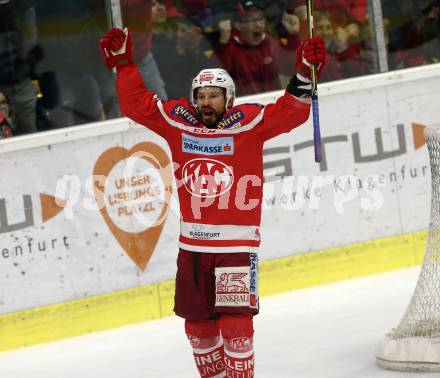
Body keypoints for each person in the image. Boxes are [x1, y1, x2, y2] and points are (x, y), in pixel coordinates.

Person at [99, 26, 326, 377]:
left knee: (235, 327)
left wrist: (303, 75)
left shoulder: (248, 123)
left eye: (214, 95)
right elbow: (136, 105)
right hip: (192, 247)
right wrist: (126, 67)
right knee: (198, 327)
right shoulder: (179, 122)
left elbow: (290, 113)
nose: (205, 102)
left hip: (236, 245)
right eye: (200, 95)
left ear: (229, 99)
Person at [215, 0, 301, 96]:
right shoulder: (230, 46)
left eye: (260, 18)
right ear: (238, 25)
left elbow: (289, 68)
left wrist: (293, 37)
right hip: (244, 106)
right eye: (252, 20)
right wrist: (223, 44)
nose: (258, 24)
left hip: (273, 102)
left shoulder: (270, 41)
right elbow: (218, 79)